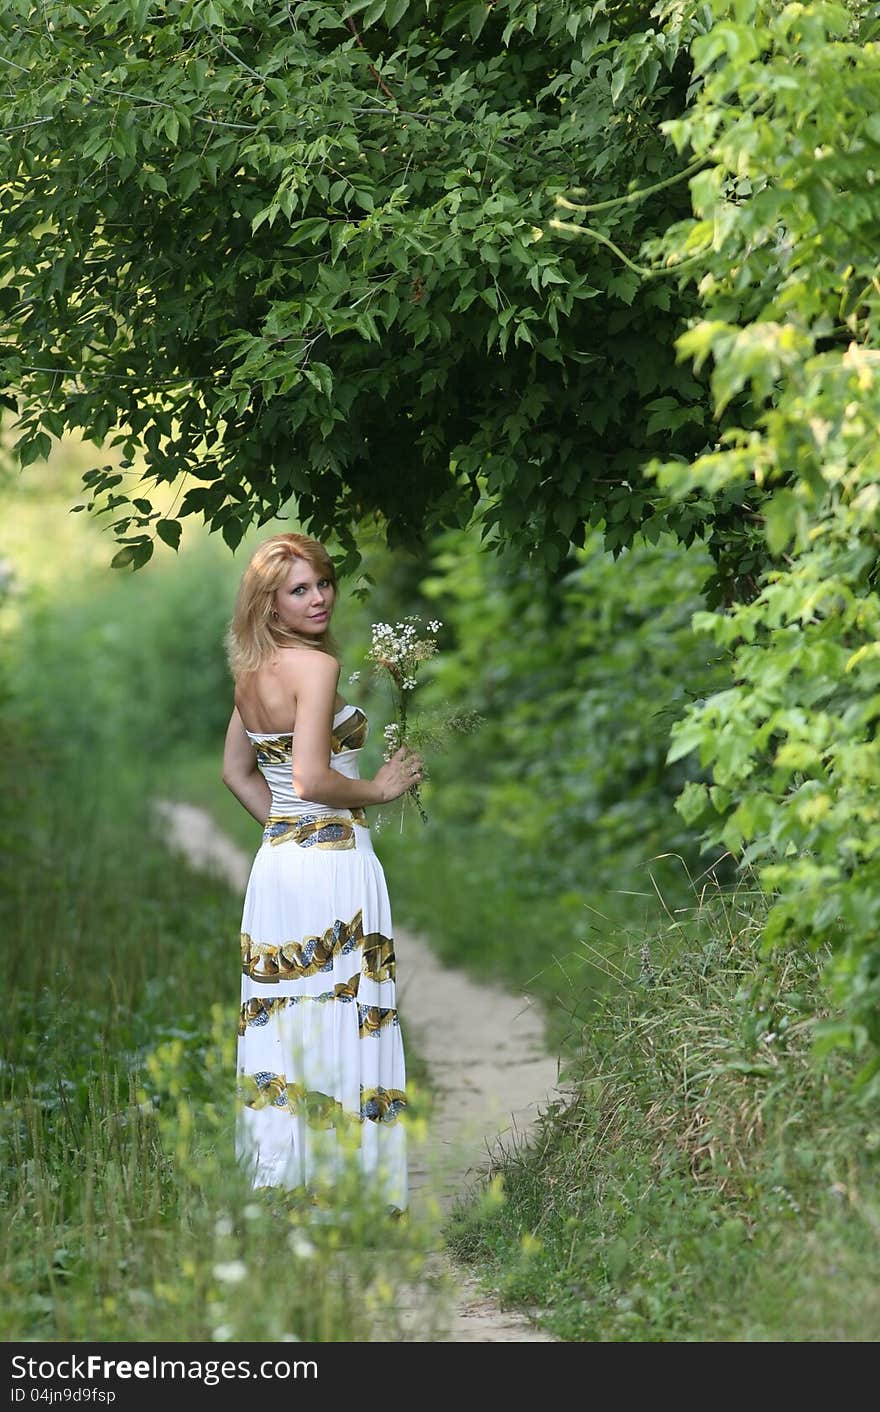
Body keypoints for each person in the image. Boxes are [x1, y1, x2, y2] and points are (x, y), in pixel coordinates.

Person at [221, 532, 423, 1218]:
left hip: (278, 868)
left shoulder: (252, 671)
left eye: (323, 583)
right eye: (298, 589)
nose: (318, 598)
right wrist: (383, 790)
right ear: (269, 603)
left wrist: (286, 832)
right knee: (342, 1011)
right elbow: (310, 778)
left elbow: (238, 773)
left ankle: (288, 1188)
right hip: (333, 866)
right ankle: (349, 1193)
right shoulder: (314, 667)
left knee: (288, 1018)